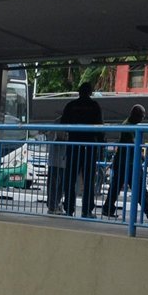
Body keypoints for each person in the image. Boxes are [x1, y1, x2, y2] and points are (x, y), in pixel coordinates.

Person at [102, 105, 148, 221]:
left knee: (117, 186)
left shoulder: (128, 125)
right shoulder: (128, 127)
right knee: (138, 186)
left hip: (124, 162)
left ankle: (108, 208)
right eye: (141, 116)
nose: (142, 119)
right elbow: (133, 146)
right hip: (128, 163)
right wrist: (146, 160)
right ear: (135, 114)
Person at [60, 82, 104, 218]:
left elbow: (63, 125)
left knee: (70, 179)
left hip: (73, 145)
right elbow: (99, 129)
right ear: (90, 92)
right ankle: (87, 210)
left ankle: (68, 209)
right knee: (89, 180)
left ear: (79, 92)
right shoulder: (94, 106)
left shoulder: (71, 105)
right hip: (89, 146)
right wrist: (101, 146)